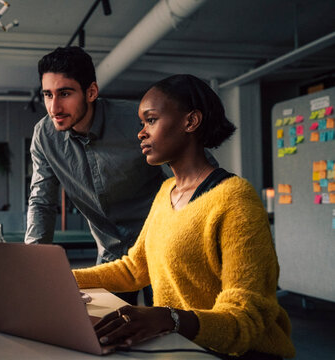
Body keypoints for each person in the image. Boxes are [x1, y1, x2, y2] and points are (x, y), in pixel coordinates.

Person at [73, 74, 295, 359]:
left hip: (240, 353)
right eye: (141, 123)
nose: (141, 133)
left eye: (151, 120)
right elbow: (134, 269)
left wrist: (171, 319)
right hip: (181, 347)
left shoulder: (236, 198)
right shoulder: (167, 190)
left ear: (190, 122)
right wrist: (64, 278)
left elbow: (246, 317)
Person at [24, 46, 171, 305]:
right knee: (100, 330)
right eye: (48, 95)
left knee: (170, 332)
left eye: (65, 93)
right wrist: (35, 268)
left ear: (91, 92)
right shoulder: (44, 136)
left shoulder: (138, 120)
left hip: (161, 249)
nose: (54, 107)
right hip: (111, 255)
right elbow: (41, 203)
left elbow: (189, 176)